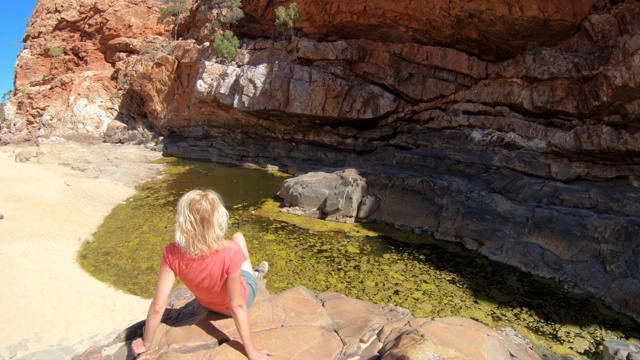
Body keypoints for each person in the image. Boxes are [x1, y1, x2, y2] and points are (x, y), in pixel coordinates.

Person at [131, 189, 273, 359]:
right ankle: (256, 275)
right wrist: (251, 350)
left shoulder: (171, 252)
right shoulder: (231, 251)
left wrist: (146, 343)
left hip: (207, 305)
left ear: (183, 220)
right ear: (218, 219)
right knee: (238, 237)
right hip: (242, 297)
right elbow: (237, 306)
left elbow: (157, 306)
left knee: (234, 250)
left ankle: (254, 272)